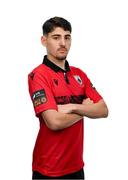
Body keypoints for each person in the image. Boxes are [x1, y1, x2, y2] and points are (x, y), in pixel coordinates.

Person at [28, 16, 108, 179]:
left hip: (77, 166)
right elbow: (54, 122)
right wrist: (86, 109)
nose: (63, 43)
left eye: (67, 37)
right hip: (48, 169)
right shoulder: (38, 75)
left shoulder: (79, 74)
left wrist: (72, 107)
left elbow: (103, 110)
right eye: (56, 37)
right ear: (44, 41)